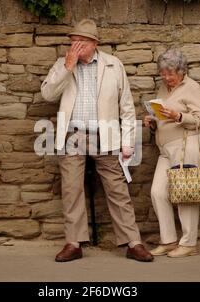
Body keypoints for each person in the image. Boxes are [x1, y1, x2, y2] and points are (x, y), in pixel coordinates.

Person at [41, 19, 153, 262]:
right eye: (73, 41)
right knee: (71, 190)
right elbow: (47, 94)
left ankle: (133, 243)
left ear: (94, 43)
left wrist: (128, 142)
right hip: (73, 136)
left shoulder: (113, 65)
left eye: (81, 41)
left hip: (106, 134)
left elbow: (126, 107)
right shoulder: (63, 64)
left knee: (117, 188)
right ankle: (73, 243)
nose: (76, 45)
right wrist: (66, 67)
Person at [143, 49, 200, 258]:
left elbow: (199, 120)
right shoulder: (164, 88)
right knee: (157, 192)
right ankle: (168, 240)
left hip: (185, 146)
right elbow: (162, 118)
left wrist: (178, 115)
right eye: (163, 73)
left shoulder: (192, 87)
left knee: (185, 194)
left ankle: (189, 244)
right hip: (166, 149)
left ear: (181, 71)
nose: (166, 78)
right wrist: (153, 122)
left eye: (170, 73)